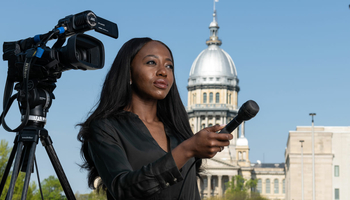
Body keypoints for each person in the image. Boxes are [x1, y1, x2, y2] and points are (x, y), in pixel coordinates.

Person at [77, 37, 233, 200]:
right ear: (128, 72)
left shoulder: (178, 132)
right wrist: (187, 150)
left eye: (169, 66)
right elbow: (123, 190)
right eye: (151, 62)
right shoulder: (105, 128)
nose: (163, 71)